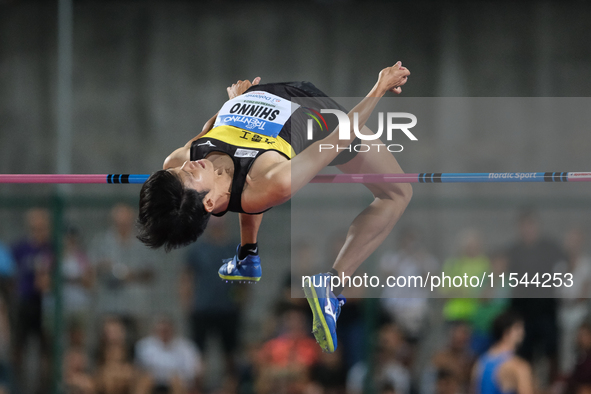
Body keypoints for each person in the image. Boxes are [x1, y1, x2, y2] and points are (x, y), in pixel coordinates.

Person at [137, 62, 413, 353]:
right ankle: (331, 284)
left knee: (242, 186)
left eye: (181, 170)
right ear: (207, 203)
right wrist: (380, 87)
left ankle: (247, 255)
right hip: (316, 114)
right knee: (397, 192)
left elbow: (209, 132)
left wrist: (233, 105)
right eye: (189, 175)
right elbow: (340, 137)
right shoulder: (273, 181)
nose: (187, 165)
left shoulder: (177, 161)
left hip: (258, 98)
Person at [180, 216, 244, 377]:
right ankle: (198, 386)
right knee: (199, 353)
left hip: (227, 308)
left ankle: (231, 386)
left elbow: (243, 281)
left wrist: (239, 302)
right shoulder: (197, 250)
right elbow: (187, 277)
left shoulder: (235, 249)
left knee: (230, 352)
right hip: (202, 308)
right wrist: (188, 303)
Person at [90, 203, 156, 340]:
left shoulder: (142, 242)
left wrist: (131, 274)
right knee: (108, 343)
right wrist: (104, 267)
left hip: (135, 305)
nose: (122, 225)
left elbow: (151, 272)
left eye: (125, 222)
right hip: (108, 304)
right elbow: (92, 269)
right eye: (119, 222)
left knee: (136, 343)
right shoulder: (102, 242)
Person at [11, 208, 53, 392]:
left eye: (42, 227)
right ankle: (17, 386)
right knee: (19, 347)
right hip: (25, 302)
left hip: (47, 304)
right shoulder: (20, 248)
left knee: (46, 350)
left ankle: (44, 388)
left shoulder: (52, 247)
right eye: (35, 227)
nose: (39, 231)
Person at [135, 316, 202, 394]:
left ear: (173, 330)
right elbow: (139, 368)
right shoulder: (144, 346)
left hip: (178, 381)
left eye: (166, 330)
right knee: (145, 381)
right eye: (161, 330)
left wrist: (178, 376)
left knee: (177, 382)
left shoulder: (186, 347)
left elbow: (192, 371)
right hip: (153, 381)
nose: (163, 333)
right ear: (154, 330)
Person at [472, 311, 534, 394]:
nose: (523, 333)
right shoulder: (518, 366)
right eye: (518, 328)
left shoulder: (480, 362)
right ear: (506, 332)